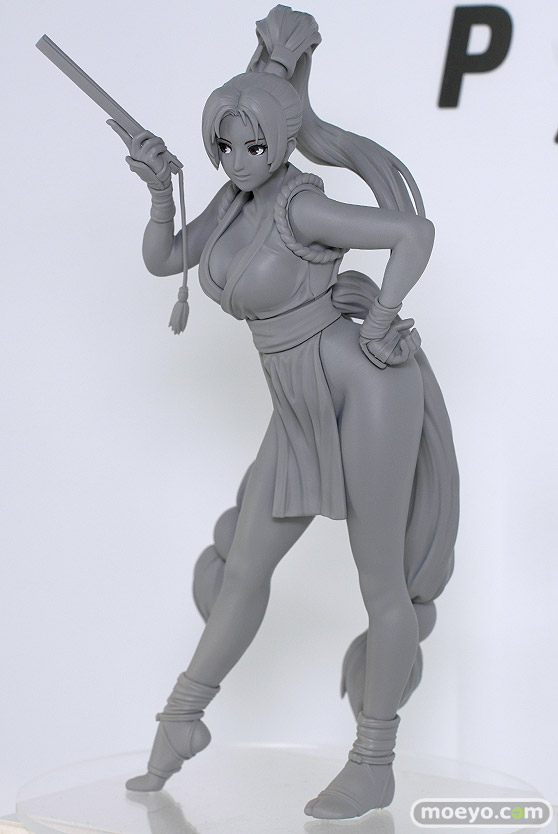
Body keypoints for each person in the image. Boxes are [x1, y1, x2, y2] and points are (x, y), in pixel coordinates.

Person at [109, 5, 459, 820]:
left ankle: (374, 761)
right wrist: (160, 189)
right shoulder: (232, 203)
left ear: (280, 140)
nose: (237, 160)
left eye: (252, 146)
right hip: (296, 399)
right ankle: (183, 717)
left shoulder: (300, 206)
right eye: (224, 146)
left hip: (363, 389)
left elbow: (413, 232)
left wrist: (382, 323)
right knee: (242, 564)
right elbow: (165, 259)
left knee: (380, 581)